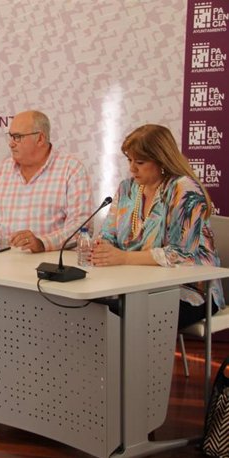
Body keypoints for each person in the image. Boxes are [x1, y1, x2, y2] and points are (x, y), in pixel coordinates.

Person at [92, 124, 224, 328]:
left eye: (140, 162)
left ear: (161, 160)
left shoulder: (184, 189)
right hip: (135, 284)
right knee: (90, 306)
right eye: (129, 160)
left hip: (190, 289)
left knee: (129, 315)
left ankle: (136, 361)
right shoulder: (127, 188)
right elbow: (108, 235)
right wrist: (102, 248)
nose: (132, 168)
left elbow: (181, 254)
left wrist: (124, 257)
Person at [0, 110, 93, 252]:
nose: (11, 144)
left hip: (51, 268)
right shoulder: (2, 170)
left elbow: (82, 226)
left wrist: (42, 243)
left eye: (17, 137)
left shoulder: (71, 169)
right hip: (3, 265)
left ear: (40, 139)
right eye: (10, 137)